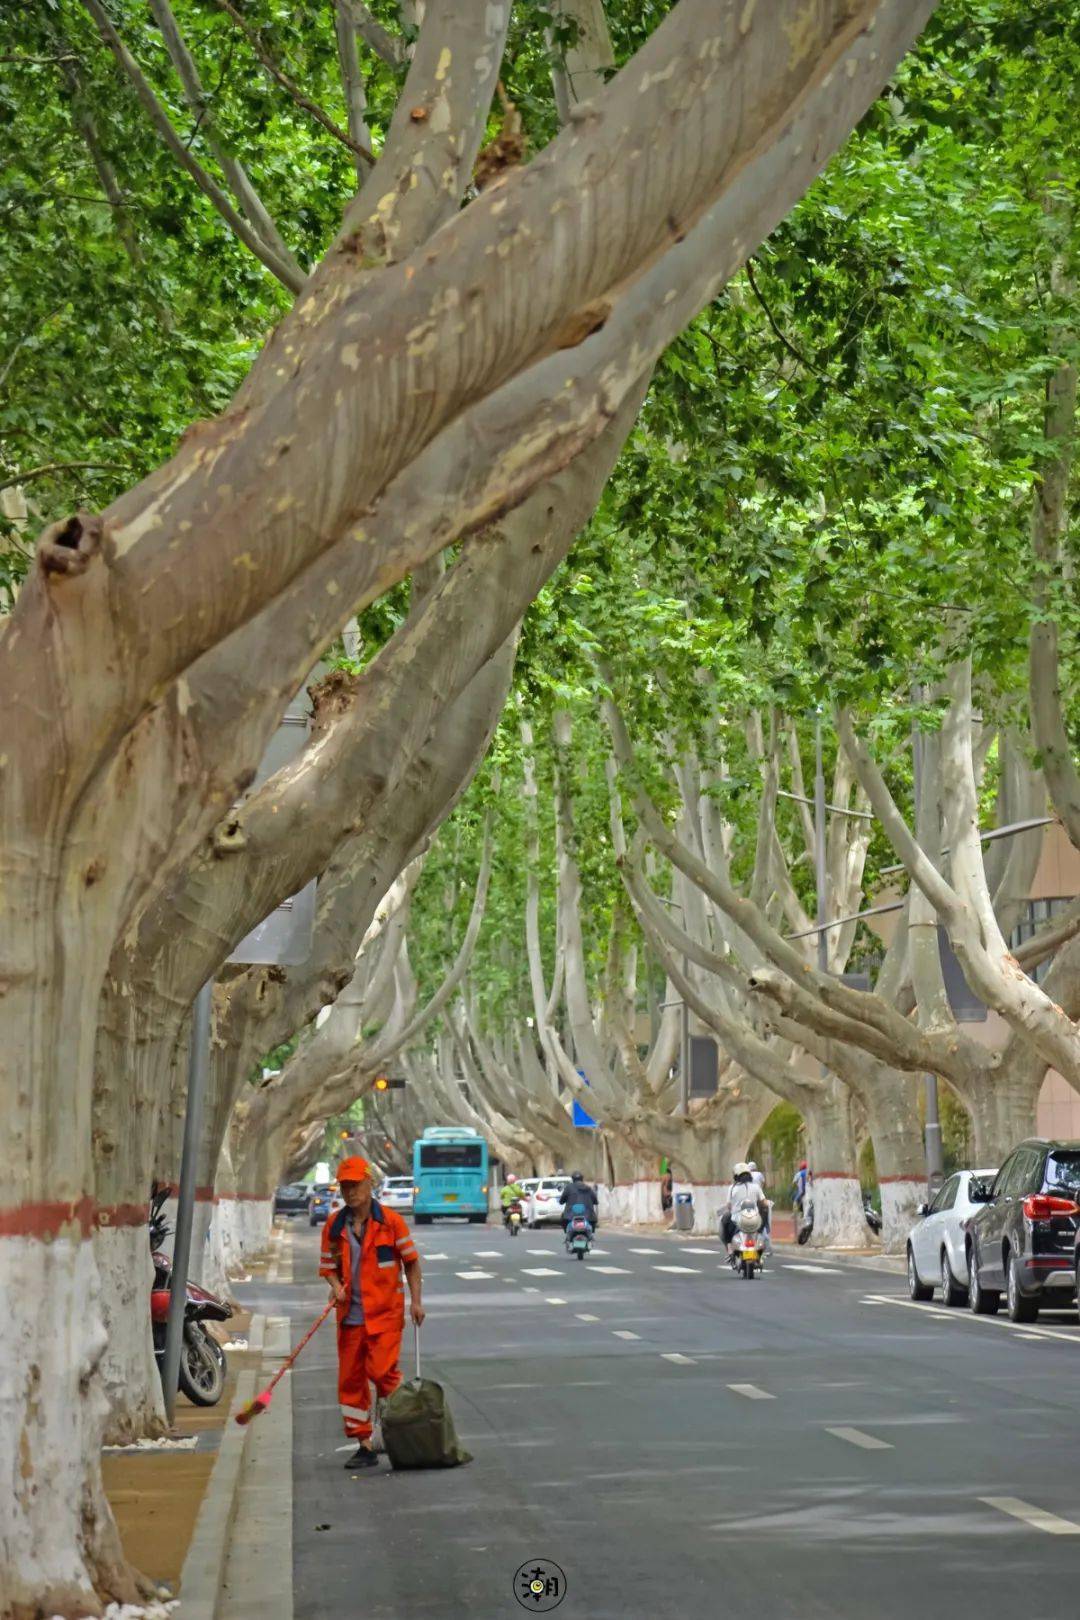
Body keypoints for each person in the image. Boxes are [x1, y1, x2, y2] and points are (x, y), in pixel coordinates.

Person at [319, 1155, 425, 1470]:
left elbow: (411, 1263)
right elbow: (328, 1267)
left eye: (356, 1185)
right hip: (350, 1317)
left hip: (385, 1315)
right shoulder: (334, 1226)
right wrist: (335, 1285)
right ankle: (364, 1444)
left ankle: (401, 1425)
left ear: (370, 1184)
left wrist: (416, 1302)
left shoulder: (391, 1222)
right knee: (350, 1381)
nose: (350, 1192)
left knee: (381, 1372)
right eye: (345, 1186)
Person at [720, 1163, 768, 1255]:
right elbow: (764, 1203)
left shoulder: (732, 1188)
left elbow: (729, 1206)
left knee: (725, 1220)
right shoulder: (756, 1187)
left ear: (736, 1176)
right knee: (765, 1210)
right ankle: (761, 1233)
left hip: (737, 1220)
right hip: (754, 1220)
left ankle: (729, 1247)